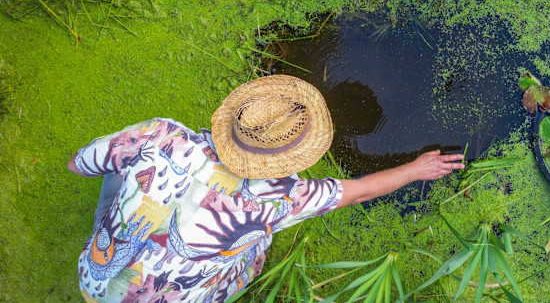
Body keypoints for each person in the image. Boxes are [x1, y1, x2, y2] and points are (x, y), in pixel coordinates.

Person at [68, 75, 465, 302]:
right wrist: (416, 168)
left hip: (96, 279)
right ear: (289, 159)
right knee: (254, 246)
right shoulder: (280, 198)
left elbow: (80, 163)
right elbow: (359, 190)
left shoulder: (160, 134)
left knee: (124, 171)